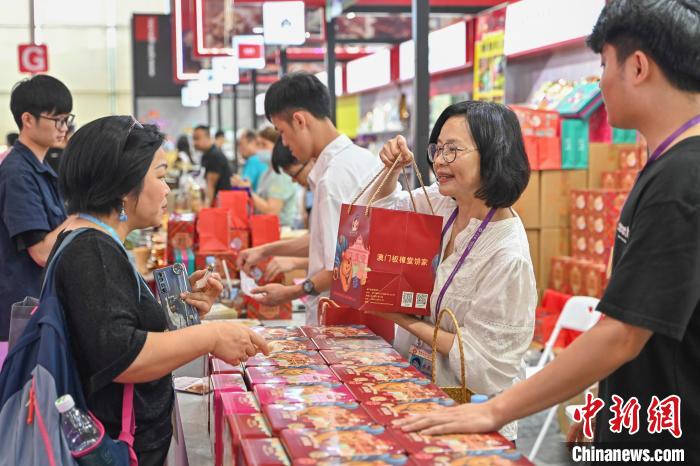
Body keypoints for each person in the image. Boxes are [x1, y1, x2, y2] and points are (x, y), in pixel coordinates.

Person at [395, 0, 700, 455]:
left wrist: (495, 410)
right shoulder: (668, 167)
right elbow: (649, 314)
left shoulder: (682, 179)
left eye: (604, 64)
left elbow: (624, 333)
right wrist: (599, 401)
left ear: (637, 67)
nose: (599, 81)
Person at [55, 115, 268, 465]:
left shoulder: (93, 240)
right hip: (118, 444)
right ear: (123, 185)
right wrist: (211, 336)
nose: (167, 189)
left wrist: (180, 311)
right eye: (159, 175)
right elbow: (124, 358)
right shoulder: (92, 250)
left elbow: (112, 324)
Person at [364, 101, 535, 440]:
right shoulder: (443, 204)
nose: (439, 160)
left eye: (452, 150)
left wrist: (402, 319)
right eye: (437, 148)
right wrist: (392, 170)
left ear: (493, 154)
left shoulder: (507, 255)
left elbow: (486, 365)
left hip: (473, 419)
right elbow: (382, 215)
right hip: (419, 397)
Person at [237, 72, 382, 325]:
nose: (284, 143)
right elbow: (327, 240)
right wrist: (265, 250)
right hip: (364, 316)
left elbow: (340, 267)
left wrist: (290, 292)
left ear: (299, 120)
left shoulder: (333, 178)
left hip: (341, 319)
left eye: (282, 132)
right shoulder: (362, 159)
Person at [0, 75, 76, 341]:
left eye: (67, 119)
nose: (64, 127)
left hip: (40, 303)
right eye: (57, 120)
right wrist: (85, 213)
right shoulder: (17, 173)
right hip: (22, 311)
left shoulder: (40, 169)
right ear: (28, 120)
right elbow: (42, 252)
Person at [233, 137, 299, 227]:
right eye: (258, 145)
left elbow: (272, 211)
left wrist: (248, 191)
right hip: (266, 226)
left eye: (264, 145)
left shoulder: (280, 174)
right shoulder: (266, 173)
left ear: (277, 146)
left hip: (281, 228)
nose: (259, 149)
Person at [193, 124, 232, 206]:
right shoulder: (205, 155)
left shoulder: (214, 156)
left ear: (208, 137)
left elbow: (211, 186)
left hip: (221, 204)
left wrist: (205, 209)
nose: (194, 142)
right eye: (193, 139)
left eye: (197, 138)